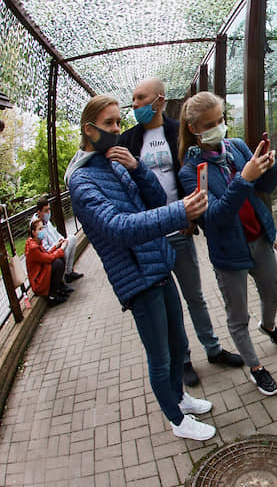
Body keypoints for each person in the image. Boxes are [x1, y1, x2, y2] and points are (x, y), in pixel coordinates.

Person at [66, 94, 216, 441]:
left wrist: (137, 167)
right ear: (89, 129)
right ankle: (176, 421)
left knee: (178, 345)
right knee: (160, 356)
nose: (117, 129)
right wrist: (181, 212)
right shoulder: (82, 182)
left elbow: (153, 201)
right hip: (137, 277)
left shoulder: (117, 164)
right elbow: (118, 227)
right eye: (108, 124)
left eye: (119, 122)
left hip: (159, 263)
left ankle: (180, 398)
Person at [119, 77, 243, 387]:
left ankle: (213, 349)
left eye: (140, 98)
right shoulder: (128, 141)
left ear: (158, 101)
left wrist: (193, 217)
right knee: (168, 304)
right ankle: (184, 358)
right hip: (151, 235)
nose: (135, 105)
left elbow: (197, 177)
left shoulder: (179, 133)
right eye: (133, 99)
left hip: (181, 228)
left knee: (195, 297)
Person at [177, 92, 277, 396]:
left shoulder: (237, 147)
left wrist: (268, 166)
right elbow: (213, 217)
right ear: (194, 129)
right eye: (210, 124)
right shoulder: (190, 173)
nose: (218, 127)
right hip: (229, 251)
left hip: (259, 237)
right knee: (238, 315)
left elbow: (265, 187)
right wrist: (243, 178)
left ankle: (269, 326)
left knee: (272, 292)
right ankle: (256, 368)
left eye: (221, 120)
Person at [31, 195, 84, 284]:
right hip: (50, 252)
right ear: (39, 212)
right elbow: (44, 247)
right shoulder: (37, 226)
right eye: (46, 210)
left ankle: (68, 272)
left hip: (56, 246)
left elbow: (55, 234)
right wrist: (58, 244)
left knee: (72, 239)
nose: (48, 212)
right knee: (64, 250)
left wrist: (62, 240)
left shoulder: (46, 221)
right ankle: (63, 277)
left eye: (49, 209)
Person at [25, 218, 73, 306]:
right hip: (38, 282)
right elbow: (48, 258)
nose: (42, 231)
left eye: (43, 228)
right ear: (33, 232)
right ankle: (52, 296)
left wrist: (56, 246)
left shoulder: (36, 242)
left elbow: (46, 255)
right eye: (40, 229)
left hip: (42, 273)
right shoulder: (33, 248)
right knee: (58, 263)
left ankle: (57, 288)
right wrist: (61, 249)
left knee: (60, 259)